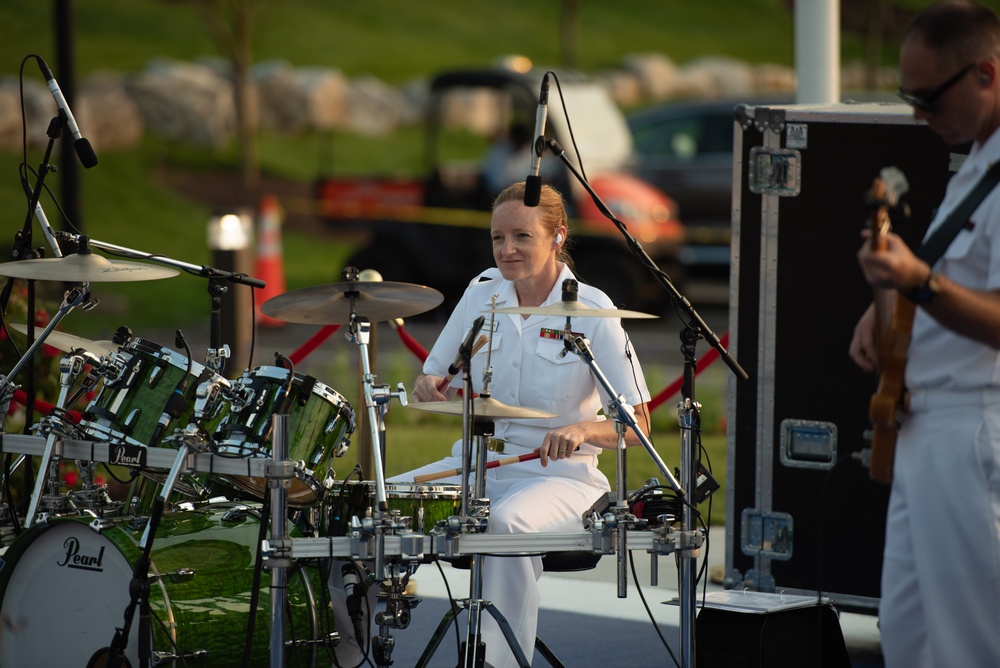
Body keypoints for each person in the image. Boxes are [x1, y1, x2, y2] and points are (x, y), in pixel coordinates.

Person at [327, 181, 650, 668]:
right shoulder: (481, 295)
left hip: (559, 478)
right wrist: (429, 387)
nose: (507, 249)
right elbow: (435, 376)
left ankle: (498, 661)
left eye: (522, 236)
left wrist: (583, 431)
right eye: (498, 238)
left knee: (505, 525)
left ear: (558, 236)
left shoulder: (593, 309)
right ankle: (346, 655)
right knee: (361, 511)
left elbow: (636, 423)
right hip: (475, 464)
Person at [848, 2, 1000, 666]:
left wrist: (917, 281)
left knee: (968, 644)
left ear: (986, 73)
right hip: (921, 427)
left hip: (972, 426)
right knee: (909, 638)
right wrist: (890, 290)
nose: (918, 114)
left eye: (928, 97)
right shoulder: (977, 162)